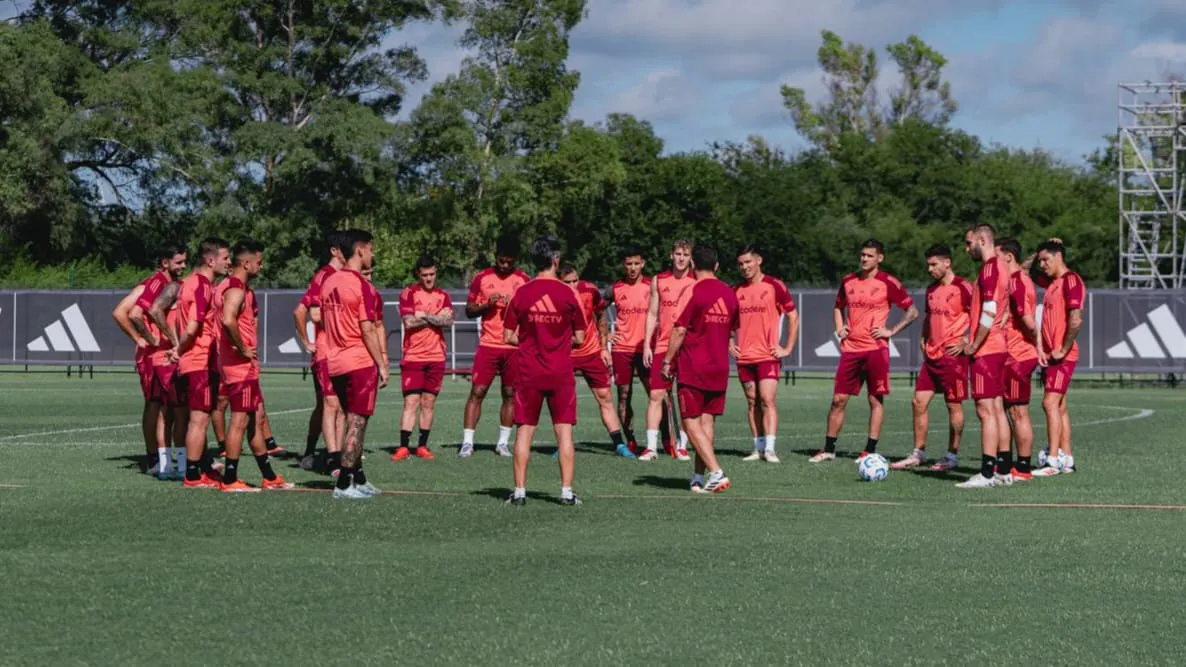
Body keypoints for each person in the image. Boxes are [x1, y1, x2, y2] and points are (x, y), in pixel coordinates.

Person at [811, 239, 918, 463]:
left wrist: (891, 331)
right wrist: (839, 328)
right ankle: (829, 449)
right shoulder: (848, 281)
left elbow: (912, 312)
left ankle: (869, 450)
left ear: (880, 258)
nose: (864, 259)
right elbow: (838, 306)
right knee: (838, 400)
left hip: (876, 350)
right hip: (851, 349)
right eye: (862, 255)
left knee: (875, 401)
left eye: (869, 255)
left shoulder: (888, 282)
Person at [502, 236, 587, 506]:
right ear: (556, 260)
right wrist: (557, 342)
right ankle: (566, 492)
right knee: (564, 433)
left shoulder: (521, 293)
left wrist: (531, 341)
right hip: (560, 371)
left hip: (529, 372)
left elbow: (507, 335)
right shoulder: (569, 293)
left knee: (524, 431)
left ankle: (519, 492)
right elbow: (581, 337)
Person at [214, 238, 293, 492]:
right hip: (239, 367)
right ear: (246, 264)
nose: (261, 265)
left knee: (255, 418)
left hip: (240, 365)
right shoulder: (235, 289)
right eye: (259, 261)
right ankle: (230, 479)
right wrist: (242, 347)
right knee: (239, 421)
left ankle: (268, 476)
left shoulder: (229, 286)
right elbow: (228, 320)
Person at [662, 244, 739, 493]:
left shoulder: (692, 290)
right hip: (720, 368)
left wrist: (667, 361)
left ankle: (716, 472)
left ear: (693, 264)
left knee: (690, 423)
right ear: (716, 266)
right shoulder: (730, 293)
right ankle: (698, 476)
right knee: (707, 425)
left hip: (694, 367)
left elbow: (679, 329)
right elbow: (732, 330)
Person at [892, 244, 972, 471]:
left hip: (953, 357)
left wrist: (967, 340)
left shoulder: (964, 287)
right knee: (918, 402)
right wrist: (923, 338)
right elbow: (928, 317)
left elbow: (980, 316)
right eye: (928, 265)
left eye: (934, 264)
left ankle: (951, 456)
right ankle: (918, 453)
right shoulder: (931, 289)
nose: (930, 269)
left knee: (953, 405)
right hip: (932, 356)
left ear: (947, 262)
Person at [321, 230, 387, 499]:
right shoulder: (362, 285)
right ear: (360, 250)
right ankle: (344, 484)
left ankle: (358, 478)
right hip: (359, 362)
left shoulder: (328, 281)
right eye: (370, 249)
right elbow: (368, 329)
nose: (372, 254)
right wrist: (382, 363)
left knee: (351, 421)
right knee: (357, 424)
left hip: (336, 362)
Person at [159, 238, 230, 488]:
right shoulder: (201, 285)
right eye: (225, 258)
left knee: (197, 418)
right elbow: (192, 327)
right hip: (199, 361)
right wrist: (179, 348)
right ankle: (192, 475)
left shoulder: (188, 283)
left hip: (192, 360)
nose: (228, 262)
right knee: (199, 420)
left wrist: (178, 349)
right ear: (210, 260)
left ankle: (201, 469)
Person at [112, 242, 187, 476]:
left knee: (167, 407)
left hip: (160, 353)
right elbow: (127, 313)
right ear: (165, 263)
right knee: (157, 406)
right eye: (179, 262)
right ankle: (155, 458)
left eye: (185, 261)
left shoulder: (163, 283)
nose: (183, 266)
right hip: (154, 356)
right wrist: (142, 338)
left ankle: (167, 458)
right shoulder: (157, 282)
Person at [955, 224, 1014, 488]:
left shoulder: (990, 268)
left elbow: (989, 310)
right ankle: (1004, 469)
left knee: (986, 410)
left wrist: (974, 344)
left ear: (982, 240)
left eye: (969, 243)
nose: (967, 249)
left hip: (987, 349)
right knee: (997, 408)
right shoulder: (1002, 266)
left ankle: (987, 472)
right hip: (999, 347)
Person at [462, 234, 530, 458]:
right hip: (488, 345)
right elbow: (469, 310)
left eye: (510, 261)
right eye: (501, 260)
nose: (505, 265)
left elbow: (531, 314)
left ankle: (502, 443)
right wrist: (486, 305)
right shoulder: (482, 278)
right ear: (495, 256)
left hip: (513, 346)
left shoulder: (524, 280)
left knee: (510, 394)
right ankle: (467, 443)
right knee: (477, 391)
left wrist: (515, 307)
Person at [731, 244, 798, 463]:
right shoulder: (735, 291)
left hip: (768, 356)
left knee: (767, 399)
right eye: (741, 264)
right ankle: (757, 448)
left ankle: (770, 449)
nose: (744, 267)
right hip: (744, 357)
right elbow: (727, 322)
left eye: (748, 262)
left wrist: (787, 348)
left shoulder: (774, 285)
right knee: (752, 402)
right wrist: (729, 343)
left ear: (758, 261)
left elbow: (793, 316)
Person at [559, 263, 631, 456]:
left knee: (605, 397)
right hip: (564, 355)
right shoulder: (552, 295)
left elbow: (601, 316)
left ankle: (619, 445)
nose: (573, 285)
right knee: (564, 400)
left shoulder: (590, 290)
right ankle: (563, 445)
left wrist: (603, 347)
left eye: (575, 280)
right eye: (567, 282)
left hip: (591, 353)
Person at [293, 232, 346, 471]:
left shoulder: (343, 276)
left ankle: (327, 453)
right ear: (335, 251)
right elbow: (302, 311)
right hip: (326, 353)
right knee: (329, 405)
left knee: (336, 406)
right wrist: (306, 341)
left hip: (343, 352)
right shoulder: (324, 275)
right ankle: (325, 455)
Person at [1033, 239, 1085, 476]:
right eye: (1040, 260)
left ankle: (1052, 460)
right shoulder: (1051, 282)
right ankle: (1068, 459)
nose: (1042, 264)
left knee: (1049, 403)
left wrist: (1063, 348)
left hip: (1063, 356)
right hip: (1052, 356)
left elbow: (1076, 319)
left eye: (1046, 259)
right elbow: (1024, 270)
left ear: (1059, 257)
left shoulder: (1071, 280)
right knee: (1060, 406)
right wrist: (1039, 251)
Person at [640, 240, 696, 461]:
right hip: (663, 345)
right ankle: (651, 447)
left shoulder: (696, 281)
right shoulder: (659, 280)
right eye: (678, 254)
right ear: (671, 255)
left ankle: (682, 445)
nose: (681, 258)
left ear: (691, 258)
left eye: (685, 254)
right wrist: (647, 344)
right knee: (656, 395)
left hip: (688, 347)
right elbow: (652, 314)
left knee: (686, 397)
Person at [394, 255, 453, 461]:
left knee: (428, 402)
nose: (429, 278)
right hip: (414, 356)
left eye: (432, 274)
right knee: (411, 402)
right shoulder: (409, 293)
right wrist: (435, 317)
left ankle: (422, 446)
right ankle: (403, 447)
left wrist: (423, 315)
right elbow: (409, 322)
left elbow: (449, 321)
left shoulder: (443, 295)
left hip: (437, 356)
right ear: (418, 275)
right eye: (425, 275)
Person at [998, 238, 1039, 481]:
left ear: (1008, 257)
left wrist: (1039, 344)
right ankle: (1005, 463)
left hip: (1018, 356)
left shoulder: (1016, 281)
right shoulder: (1019, 277)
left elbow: (1027, 321)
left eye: (997, 256)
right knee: (1004, 410)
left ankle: (1023, 468)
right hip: (1011, 355)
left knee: (1018, 412)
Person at [605, 245, 650, 454]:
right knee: (624, 395)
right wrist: (604, 335)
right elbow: (593, 310)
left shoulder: (653, 286)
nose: (632, 268)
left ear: (643, 264)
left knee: (656, 394)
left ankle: (666, 439)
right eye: (629, 264)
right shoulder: (615, 288)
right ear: (624, 265)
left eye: (636, 263)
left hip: (646, 348)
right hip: (622, 349)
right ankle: (630, 440)